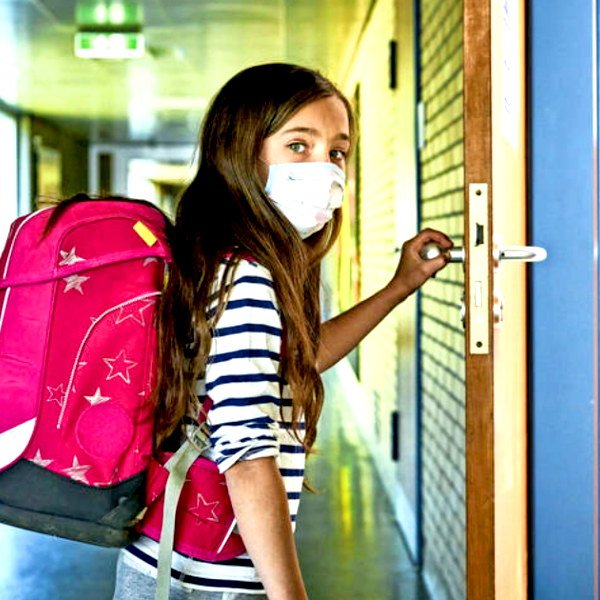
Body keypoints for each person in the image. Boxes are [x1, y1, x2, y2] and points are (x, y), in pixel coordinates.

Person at [112, 62, 452, 600]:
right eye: (298, 145)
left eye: (337, 152)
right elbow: (248, 456)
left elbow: (296, 359)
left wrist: (399, 286)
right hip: (204, 581)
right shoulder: (247, 275)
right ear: (243, 153)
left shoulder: (222, 258)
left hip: (176, 560)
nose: (325, 168)